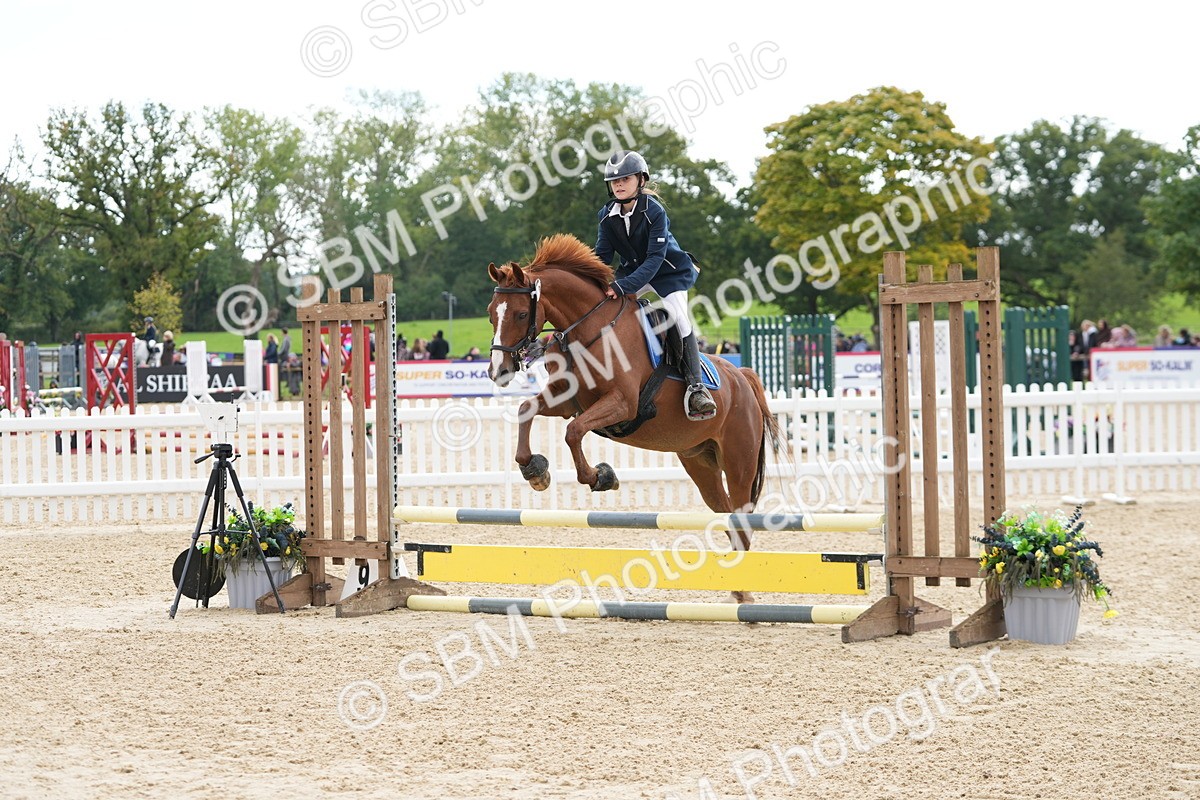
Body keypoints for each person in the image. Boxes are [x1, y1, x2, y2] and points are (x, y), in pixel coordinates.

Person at [593, 150, 716, 421]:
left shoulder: (654, 211)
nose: (619, 184)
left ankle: (697, 388)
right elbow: (601, 256)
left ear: (641, 180)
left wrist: (623, 286)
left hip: (667, 273)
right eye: (614, 181)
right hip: (634, 273)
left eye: (625, 178)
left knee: (679, 319)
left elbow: (653, 260)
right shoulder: (606, 215)